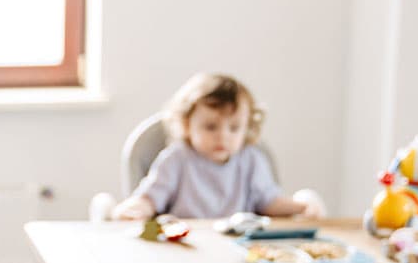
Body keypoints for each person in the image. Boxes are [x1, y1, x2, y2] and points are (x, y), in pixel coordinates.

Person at [111, 72, 324, 221]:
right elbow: (152, 198)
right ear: (187, 124)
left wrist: (302, 207)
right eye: (210, 127)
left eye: (234, 128)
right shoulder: (177, 158)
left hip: (238, 248)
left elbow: (267, 203)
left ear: (247, 127)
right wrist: (136, 209)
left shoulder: (250, 159)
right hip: (186, 245)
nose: (222, 136)